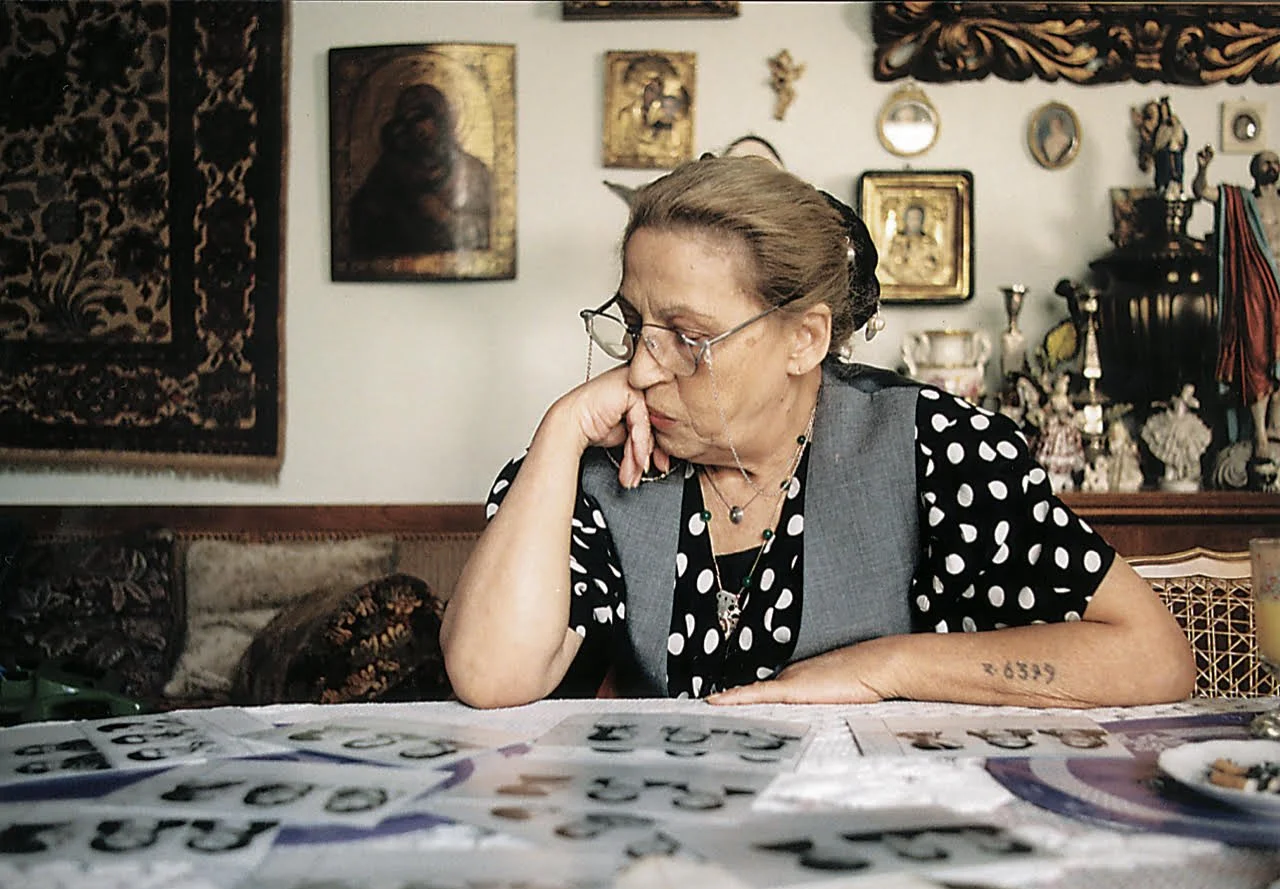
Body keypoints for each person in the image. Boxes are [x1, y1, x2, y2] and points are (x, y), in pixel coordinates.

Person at [440, 155, 1195, 710]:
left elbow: (1153, 658)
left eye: (686, 335)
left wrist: (885, 667)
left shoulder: (933, 448)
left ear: (804, 339)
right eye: (635, 324)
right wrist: (562, 427)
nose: (639, 370)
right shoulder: (597, 466)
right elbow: (489, 674)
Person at [1192, 144, 1280, 470]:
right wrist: (1203, 167)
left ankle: (1274, 429)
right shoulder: (1241, 202)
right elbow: (1201, 190)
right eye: (1264, 162)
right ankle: (1258, 435)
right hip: (1256, 289)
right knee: (1256, 357)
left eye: (1275, 161)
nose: (1271, 165)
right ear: (1253, 170)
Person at [349, 82, 491, 258]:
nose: (417, 129)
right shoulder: (388, 171)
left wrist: (444, 216)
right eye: (406, 121)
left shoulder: (473, 172)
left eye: (421, 118)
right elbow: (361, 223)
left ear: (442, 120)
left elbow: (491, 230)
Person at [884, 203, 943, 284]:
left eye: (917, 219)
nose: (914, 222)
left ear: (922, 221)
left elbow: (936, 266)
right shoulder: (897, 242)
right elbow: (890, 264)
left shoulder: (929, 243)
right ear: (905, 219)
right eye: (911, 218)